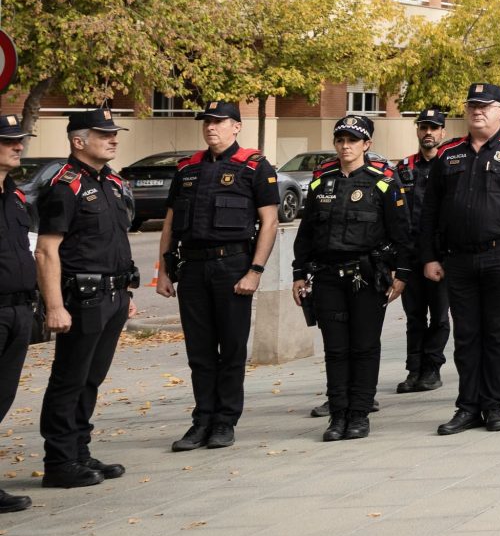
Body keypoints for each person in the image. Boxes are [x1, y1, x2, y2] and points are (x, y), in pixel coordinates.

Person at [421, 84, 500, 435]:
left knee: (497, 336)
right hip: (458, 260)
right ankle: (467, 406)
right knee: (466, 337)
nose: (478, 111)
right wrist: (429, 256)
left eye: (486, 106)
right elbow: (430, 210)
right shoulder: (449, 154)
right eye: (472, 106)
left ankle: (493, 406)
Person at [154, 101, 281, 451]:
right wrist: (162, 271)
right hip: (193, 268)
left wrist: (255, 271)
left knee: (232, 348)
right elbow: (169, 224)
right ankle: (201, 420)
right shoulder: (187, 169)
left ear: (236, 127)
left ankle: (225, 421)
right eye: (207, 122)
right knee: (200, 351)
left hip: (232, 266)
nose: (211, 128)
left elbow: (269, 222)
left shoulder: (254, 167)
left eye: (219, 122)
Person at [291, 114, 409, 442]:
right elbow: (306, 233)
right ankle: (337, 414)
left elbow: (402, 233)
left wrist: (402, 275)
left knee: (364, 347)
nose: (345, 146)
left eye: (353, 141)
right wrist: (299, 274)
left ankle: (359, 414)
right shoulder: (321, 182)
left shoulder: (382, 181)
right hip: (327, 276)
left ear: (366, 144)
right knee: (336, 349)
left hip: (367, 276)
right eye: (340, 140)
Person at [37, 109, 138, 488]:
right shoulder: (65, 186)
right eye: (103, 133)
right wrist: (54, 306)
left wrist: (125, 291)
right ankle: (59, 461)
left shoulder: (111, 182)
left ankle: (79, 450)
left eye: (114, 133)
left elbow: (114, 242)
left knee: (91, 379)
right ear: (78, 141)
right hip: (82, 297)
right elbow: (47, 250)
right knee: (70, 378)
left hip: (112, 294)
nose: (112, 139)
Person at [394, 107, 450, 394]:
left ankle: (432, 368)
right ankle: (413, 369)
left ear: (443, 132)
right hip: (411, 254)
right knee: (414, 316)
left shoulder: (450, 165)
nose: (428, 133)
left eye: (434, 128)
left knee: (439, 316)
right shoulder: (403, 168)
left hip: (440, 255)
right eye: (424, 127)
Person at [0, 117, 35, 507]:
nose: (18, 146)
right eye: (8, 141)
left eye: (19, 140)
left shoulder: (17, 195)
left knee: (3, 397)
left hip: (18, 311)